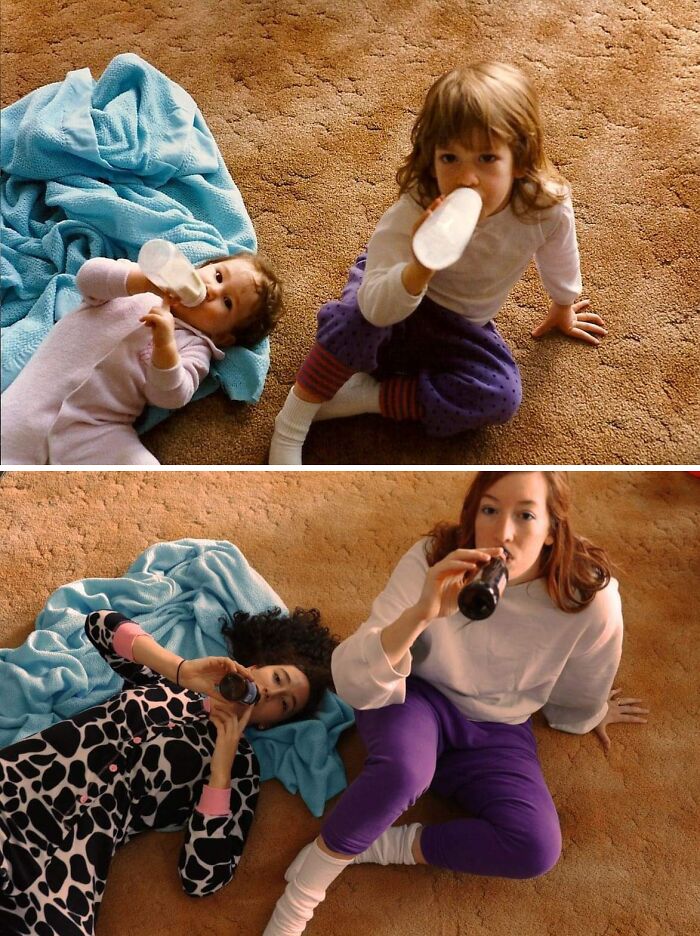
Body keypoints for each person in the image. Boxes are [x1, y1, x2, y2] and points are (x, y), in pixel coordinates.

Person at [263, 471, 649, 935]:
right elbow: (353, 681)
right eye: (490, 510)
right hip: (416, 695)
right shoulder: (433, 557)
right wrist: (423, 610)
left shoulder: (589, 597)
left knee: (535, 848)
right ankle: (305, 890)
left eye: (525, 515)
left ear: (552, 528)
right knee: (404, 771)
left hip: (499, 727)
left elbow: (586, 673)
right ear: (473, 514)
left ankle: (379, 845)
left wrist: (587, 714)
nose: (503, 532)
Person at [269, 62, 607, 464]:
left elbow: (559, 249)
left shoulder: (542, 205)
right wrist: (420, 265)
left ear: (518, 159)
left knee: (500, 395)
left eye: (486, 158)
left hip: (460, 325)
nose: (467, 178)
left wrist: (564, 303)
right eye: (450, 158)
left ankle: (368, 398)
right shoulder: (416, 204)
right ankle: (293, 419)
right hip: (394, 293)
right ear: (431, 159)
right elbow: (377, 306)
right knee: (353, 321)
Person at [0, 605, 337, 935]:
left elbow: (202, 878)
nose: (270, 692)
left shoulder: (240, 770)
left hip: (70, 863)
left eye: (284, 703)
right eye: (277, 678)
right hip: (19, 788)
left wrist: (221, 765)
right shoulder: (175, 682)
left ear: (269, 725)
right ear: (255, 666)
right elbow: (99, 624)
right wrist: (179, 669)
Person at [1, 249, 282, 465]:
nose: (213, 290)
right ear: (203, 267)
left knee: (143, 470)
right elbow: (87, 279)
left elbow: (172, 395)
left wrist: (165, 346)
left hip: (96, 425)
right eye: (218, 276)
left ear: (224, 337)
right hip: (40, 391)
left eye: (227, 302)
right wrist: (143, 280)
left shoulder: (196, 347)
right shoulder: (138, 284)